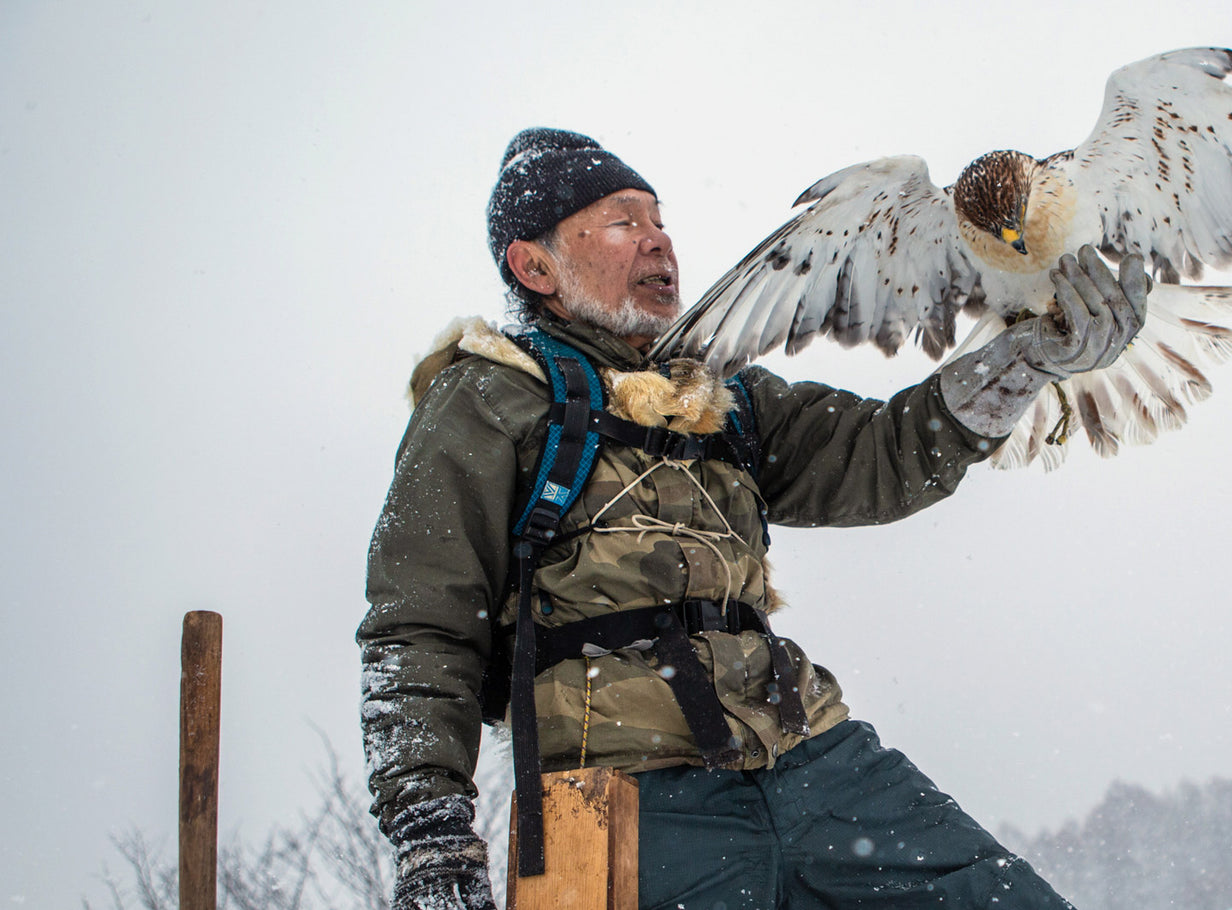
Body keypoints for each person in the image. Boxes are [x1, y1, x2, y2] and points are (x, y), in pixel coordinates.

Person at [358, 127, 1148, 910]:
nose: (658, 240)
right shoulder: (488, 397)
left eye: (658, 218)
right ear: (535, 266)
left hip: (817, 766)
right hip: (629, 802)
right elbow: (419, 627)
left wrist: (1026, 360)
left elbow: (881, 452)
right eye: (623, 221)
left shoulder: (724, 392)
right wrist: (430, 831)